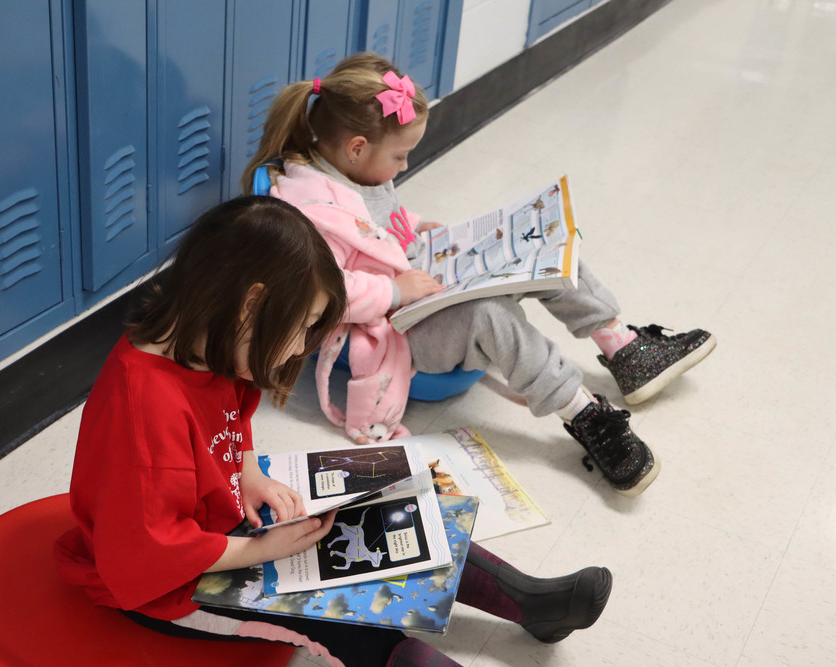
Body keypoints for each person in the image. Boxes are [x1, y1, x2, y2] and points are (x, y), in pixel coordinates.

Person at [54, 195, 613, 667]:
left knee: (402, 514)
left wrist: (248, 472)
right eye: (300, 329)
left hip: (223, 522)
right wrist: (259, 551)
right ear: (251, 305)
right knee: (340, 623)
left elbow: (231, 416)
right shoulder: (143, 405)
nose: (300, 348)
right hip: (169, 585)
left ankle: (532, 602)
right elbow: (144, 556)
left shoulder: (209, 338)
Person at [242, 53, 716, 497]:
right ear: (357, 148)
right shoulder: (307, 210)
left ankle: (623, 345)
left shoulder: (356, 169)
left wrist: (417, 228)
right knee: (491, 314)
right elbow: (320, 297)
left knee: (541, 241)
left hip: (416, 285)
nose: (404, 167)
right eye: (400, 157)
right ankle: (584, 413)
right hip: (384, 327)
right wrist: (392, 289)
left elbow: (379, 218)